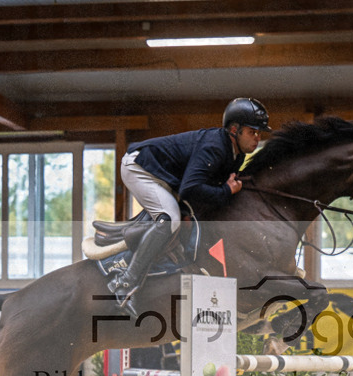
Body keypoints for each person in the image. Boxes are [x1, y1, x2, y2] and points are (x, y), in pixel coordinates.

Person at [110, 97, 272, 311]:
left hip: (165, 175)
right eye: (252, 132)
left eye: (259, 133)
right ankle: (125, 282)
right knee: (170, 219)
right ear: (234, 130)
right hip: (139, 168)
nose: (258, 138)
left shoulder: (237, 155)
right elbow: (190, 189)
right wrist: (226, 191)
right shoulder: (215, 147)